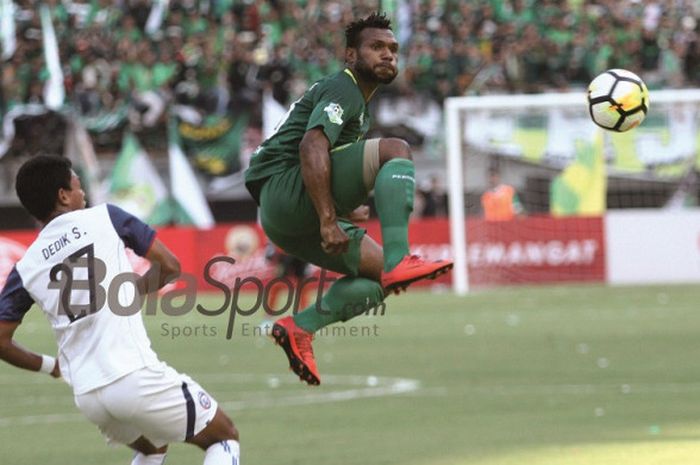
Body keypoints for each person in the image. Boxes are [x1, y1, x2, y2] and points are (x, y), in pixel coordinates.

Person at [244, 12, 453, 386]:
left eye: (393, 48)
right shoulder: (344, 87)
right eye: (376, 47)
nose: (388, 55)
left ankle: (298, 328)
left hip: (284, 219)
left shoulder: (358, 105)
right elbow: (312, 147)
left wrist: (340, 208)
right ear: (351, 56)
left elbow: (324, 158)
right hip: (284, 191)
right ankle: (399, 255)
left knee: (377, 282)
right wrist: (328, 217)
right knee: (395, 150)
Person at [0, 155, 240, 465]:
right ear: (63, 195)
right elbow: (170, 266)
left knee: (153, 448)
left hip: (88, 395)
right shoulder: (105, 217)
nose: (83, 193)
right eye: (77, 185)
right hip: (132, 376)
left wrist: (50, 366)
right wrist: (134, 291)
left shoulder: (27, 265)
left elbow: (1, 339)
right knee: (224, 437)